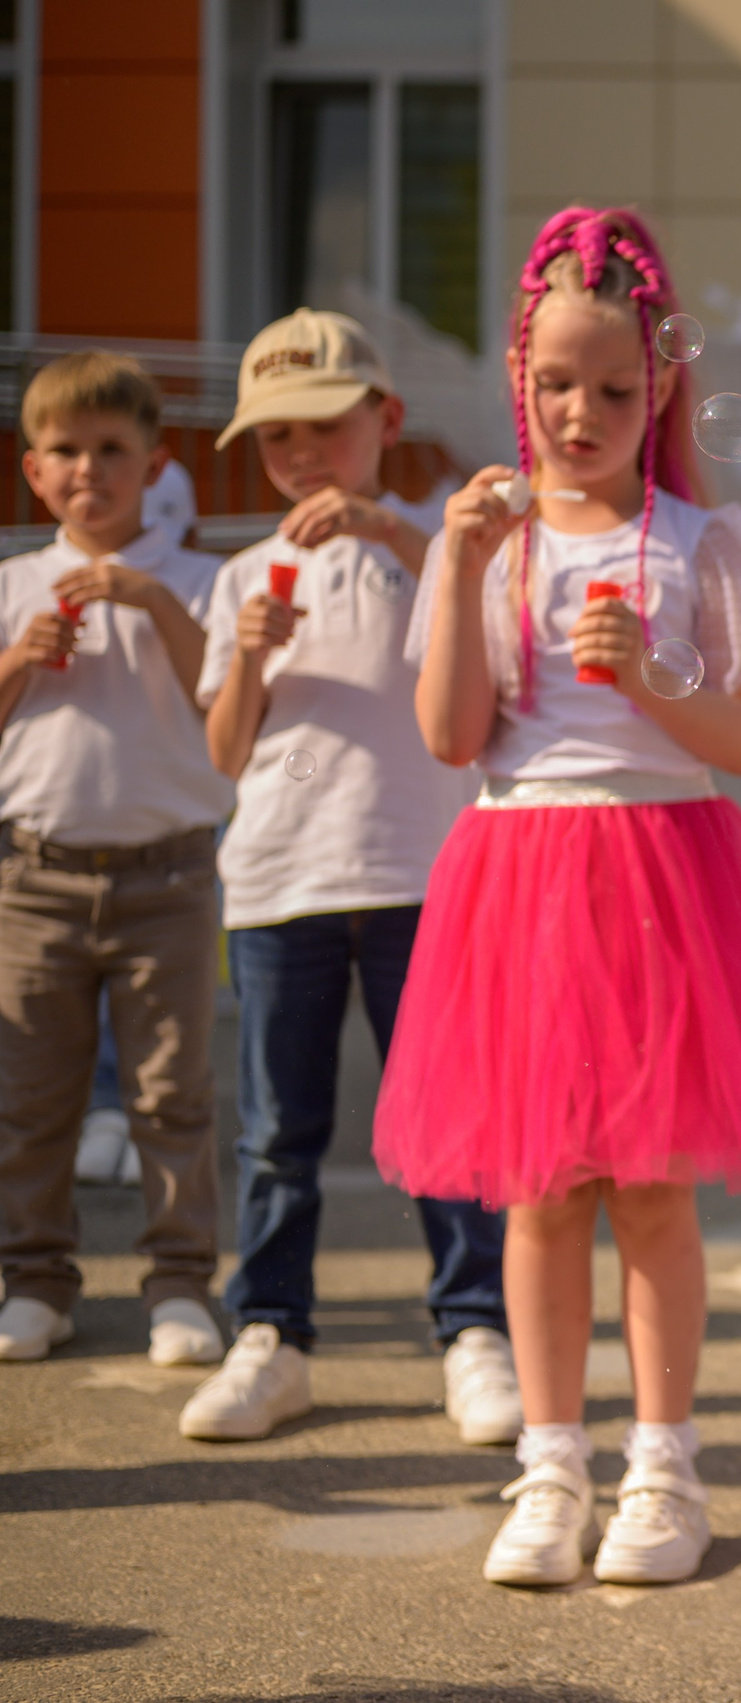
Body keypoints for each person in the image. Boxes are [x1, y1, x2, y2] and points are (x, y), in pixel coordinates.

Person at [381, 206, 741, 1590]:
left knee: (650, 1195)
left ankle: (665, 1463)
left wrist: (652, 677)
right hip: (521, 880)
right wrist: (451, 562)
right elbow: (455, 734)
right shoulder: (494, 546)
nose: (582, 411)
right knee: (539, 1194)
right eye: (554, 383)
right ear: (519, 379)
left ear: (664, 388)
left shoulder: (706, 543)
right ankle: (550, 1462)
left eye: (617, 388)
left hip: (664, 877)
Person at [177, 309, 517, 1446]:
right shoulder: (240, 579)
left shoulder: (438, 541)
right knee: (278, 1129)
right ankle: (271, 1333)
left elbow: (492, 644)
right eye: (277, 439)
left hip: (428, 872)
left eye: (326, 426)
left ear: (386, 420)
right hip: (281, 879)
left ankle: (476, 1331)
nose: (304, 456)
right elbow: (225, 752)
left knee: (446, 1120)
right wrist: (254, 657)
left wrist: (389, 528)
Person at [0, 353, 232, 1367]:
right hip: (31, 878)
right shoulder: (13, 584)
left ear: (154, 465)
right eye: (65, 452)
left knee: (172, 1095)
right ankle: (34, 1278)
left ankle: (180, 1284)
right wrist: (18, 658)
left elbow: (223, 705)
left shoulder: (197, 580)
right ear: (33, 470)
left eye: (112, 451)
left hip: (170, 878)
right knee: (31, 1097)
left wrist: (151, 599)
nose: (89, 469)